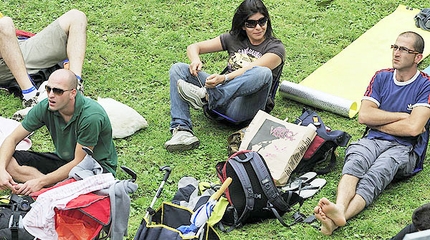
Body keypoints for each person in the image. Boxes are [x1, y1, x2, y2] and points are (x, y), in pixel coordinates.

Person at [313, 31, 430, 236]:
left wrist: (380, 122)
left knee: (378, 171)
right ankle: (339, 210)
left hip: (406, 148)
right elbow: (364, 116)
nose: (396, 53)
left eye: (404, 49)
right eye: (395, 47)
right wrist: (402, 116)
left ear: (417, 57)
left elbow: (413, 129)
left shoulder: (426, 85)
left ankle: (339, 218)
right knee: (355, 160)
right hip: (372, 140)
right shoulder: (381, 77)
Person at [165, 0, 285, 152]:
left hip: (244, 108)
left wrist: (224, 79)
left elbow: (254, 67)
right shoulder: (233, 38)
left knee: (262, 72)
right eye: (251, 24)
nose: (258, 27)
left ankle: (207, 97)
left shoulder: (276, 48)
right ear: (242, 25)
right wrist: (195, 59)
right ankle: (182, 131)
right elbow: (194, 47)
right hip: (222, 98)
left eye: (262, 21)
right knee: (178, 69)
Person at [0, 69, 117, 195]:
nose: (51, 94)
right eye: (48, 89)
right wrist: (1, 170)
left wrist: (40, 182)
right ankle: (56, 189)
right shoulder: (46, 106)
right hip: (64, 161)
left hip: (94, 168)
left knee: (82, 182)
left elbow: (80, 162)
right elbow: (12, 139)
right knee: (7, 161)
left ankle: (50, 188)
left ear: (73, 93)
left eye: (58, 91)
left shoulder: (91, 117)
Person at [0, 9, 87, 107]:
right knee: (4, 24)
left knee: (76, 16)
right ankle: (30, 97)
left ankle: (75, 85)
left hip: (14, 44)